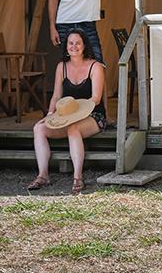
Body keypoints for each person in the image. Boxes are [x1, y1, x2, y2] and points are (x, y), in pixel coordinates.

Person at [28, 28, 106, 195]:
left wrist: (76, 115)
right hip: (67, 115)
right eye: (70, 43)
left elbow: (96, 99)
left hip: (93, 115)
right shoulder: (61, 67)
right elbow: (56, 96)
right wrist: (49, 115)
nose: (74, 46)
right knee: (39, 128)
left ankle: (78, 177)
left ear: (84, 45)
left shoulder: (95, 66)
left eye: (78, 43)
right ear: (66, 46)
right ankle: (43, 175)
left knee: (73, 128)